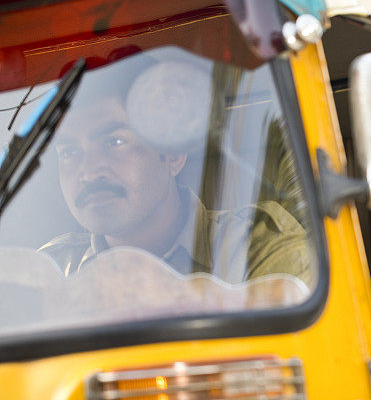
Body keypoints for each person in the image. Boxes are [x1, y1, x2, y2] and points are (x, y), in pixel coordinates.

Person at [39, 56, 311, 286]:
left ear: (172, 154)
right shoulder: (48, 272)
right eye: (69, 152)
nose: (87, 173)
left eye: (115, 142)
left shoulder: (255, 249)